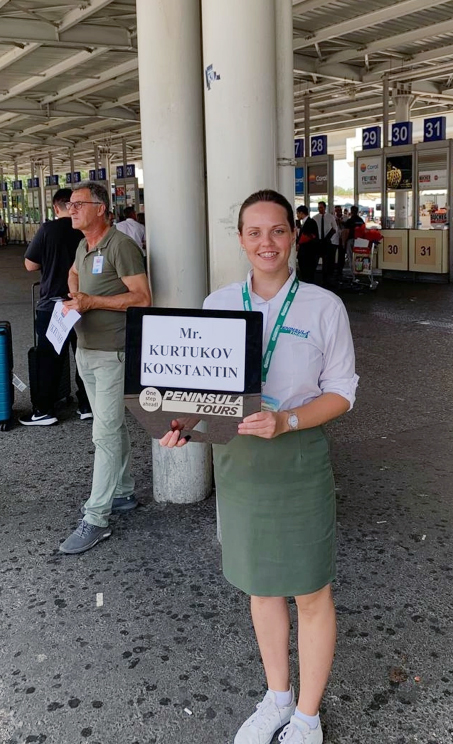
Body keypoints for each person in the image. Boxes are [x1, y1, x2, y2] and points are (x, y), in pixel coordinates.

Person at [160, 190, 358, 744]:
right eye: (255, 232)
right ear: (241, 239)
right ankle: (277, 698)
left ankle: (308, 718)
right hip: (240, 462)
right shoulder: (218, 303)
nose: (266, 242)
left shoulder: (323, 306)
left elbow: (342, 392)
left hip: (298, 458)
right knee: (261, 587)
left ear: (294, 235)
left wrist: (287, 420)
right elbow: (201, 388)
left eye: (277, 230)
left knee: (310, 591)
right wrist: (180, 423)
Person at [59, 181, 151, 555]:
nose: (71, 209)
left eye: (78, 204)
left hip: (113, 353)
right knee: (109, 427)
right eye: (70, 204)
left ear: (100, 208)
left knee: (105, 433)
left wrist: (91, 301)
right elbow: (73, 273)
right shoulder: (84, 245)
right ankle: (123, 492)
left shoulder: (121, 245)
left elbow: (142, 298)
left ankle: (96, 518)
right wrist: (75, 295)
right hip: (86, 349)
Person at [19, 188, 91, 426]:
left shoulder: (48, 229)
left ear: (55, 207)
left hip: (54, 304)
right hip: (84, 302)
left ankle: (44, 410)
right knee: (84, 353)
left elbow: (30, 265)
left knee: (49, 358)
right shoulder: (85, 228)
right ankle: (87, 404)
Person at [314, 201, 337, 287]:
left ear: (324, 208)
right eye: (318, 207)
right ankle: (316, 278)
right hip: (318, 241)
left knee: (327, 261)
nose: (319, 209)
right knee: (316, 259)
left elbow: (335, 228)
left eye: (321, 207)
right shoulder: (315, 218)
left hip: (327, 241)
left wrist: (329, 237)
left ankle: (327, 278)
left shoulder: (330, 217)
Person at [296, 205, 319, 283]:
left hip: (308, 254)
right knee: (305, 274)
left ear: (301, 213)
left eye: (297, 213)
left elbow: (309, 236)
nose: (297, 215)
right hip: (305, 253)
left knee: (308, 274)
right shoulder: (305, 223)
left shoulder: (310, 222)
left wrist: (299, 243)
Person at [332, 205, 346, 280]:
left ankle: (340, 270)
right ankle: (333, 269)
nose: (338, 212)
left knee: (341, 255)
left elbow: (347, 227)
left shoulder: (345, 218)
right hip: (335, 238)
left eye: (339, 210)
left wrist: (342, 222)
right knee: (333, 254)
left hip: (342, 239)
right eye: (337, 210)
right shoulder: (333, 218)